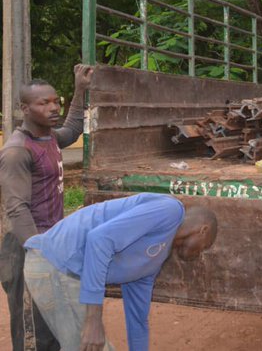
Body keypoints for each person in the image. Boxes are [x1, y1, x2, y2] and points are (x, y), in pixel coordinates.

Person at [22, 193, 218, 351]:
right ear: (203, 230)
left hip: (65, 272)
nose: (200, 253)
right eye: (205, 247)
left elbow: (138, 321)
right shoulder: (171, 210)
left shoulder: (156, 259)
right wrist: (93, 321)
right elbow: (99, 240)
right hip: (55, 263)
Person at [0, 64, 93, 350]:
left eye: (56, 102)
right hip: (26, 247)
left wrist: (80, 89)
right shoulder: (17, 151)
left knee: (54, 324)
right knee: (33, 330)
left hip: (49, 242)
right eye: (44, 103)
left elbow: (73, 129)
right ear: (24, 108)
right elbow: (17, 209)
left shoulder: (49, 137)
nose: (53, 108)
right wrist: (39, 253)